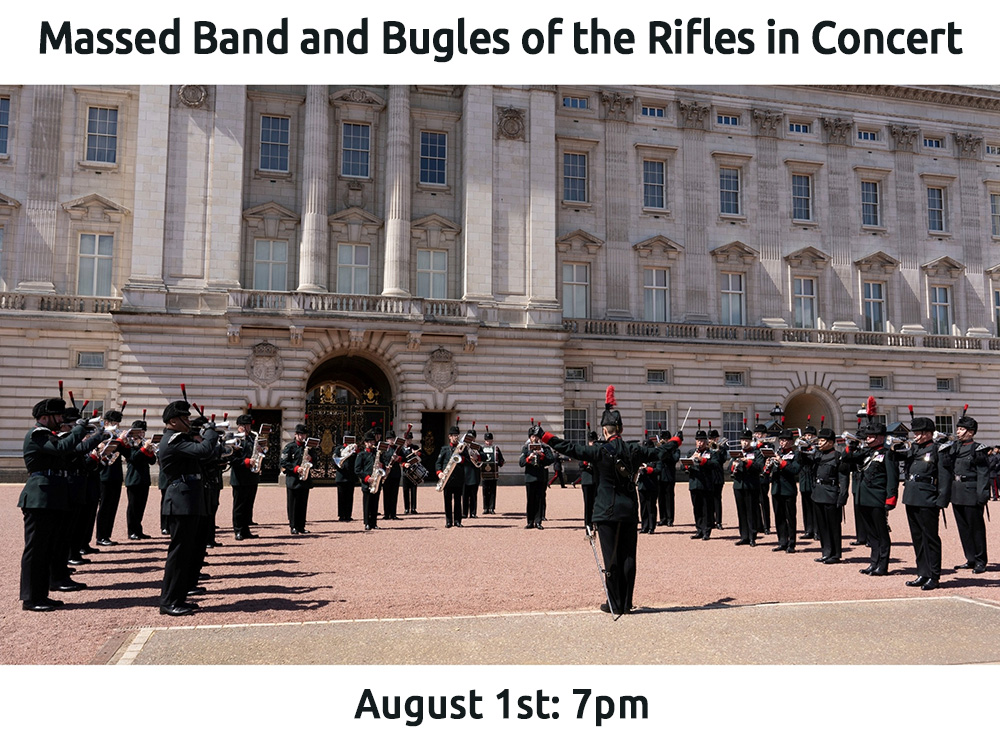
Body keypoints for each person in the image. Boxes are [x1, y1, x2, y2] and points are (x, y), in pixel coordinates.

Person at [540, 386, 663, 614]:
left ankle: (614, 604)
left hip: (606, 510)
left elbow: (570, 448)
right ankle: (626, 603)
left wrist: (545, 436)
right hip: (628, 510)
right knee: (629, 558)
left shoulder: (598, 451)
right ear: (621, 429)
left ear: (604, 431)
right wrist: (675, 440)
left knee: (611, 559)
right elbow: (663, 453)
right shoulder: (634, 450)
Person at [19, 397, 97, 612]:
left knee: (48, 548)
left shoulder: (49, 436)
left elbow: (71, 450)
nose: (61, 419)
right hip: (40, 497)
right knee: (36, 549)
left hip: (52, 496)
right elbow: (63, 447)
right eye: (58, 416)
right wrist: (80, 429)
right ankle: (31, 597)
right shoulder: (38, 435)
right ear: (45, 417)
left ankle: (42, 593)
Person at [157, 399, 221, 616]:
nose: (188, 422)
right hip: (181, 500)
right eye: (185, 418)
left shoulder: (179, 439)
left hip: (190, 499)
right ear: (173, 421)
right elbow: (204, 449)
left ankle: (179, 597)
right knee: (179, 553)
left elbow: (206, 455)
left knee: (188, 552)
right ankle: (168, 601)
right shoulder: (173, 440)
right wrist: (211, 431)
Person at [894, 416, 950, 589]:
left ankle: (934, 575)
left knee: (930, 538)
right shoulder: (913, 449)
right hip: (912, 496)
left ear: (929, 434)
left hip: (928, 498)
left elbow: (945, 477)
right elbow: (895, 456)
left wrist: (941, 500)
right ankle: (922, 573)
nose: (916, 436)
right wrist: (895, 445)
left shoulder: (938, 449)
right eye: (915, 433)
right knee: (917, 538)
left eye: (919, 433)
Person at [944, 412, 990, 574]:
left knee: (976, 528)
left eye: (962, 429)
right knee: (963, 528)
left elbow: (983, 473)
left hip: (971, 492)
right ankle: (970, 558)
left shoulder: (978, 449)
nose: (958, 432)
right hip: (957, 491)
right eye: (958, 429)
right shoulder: (954, 448)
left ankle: (980, 560)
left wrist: (983, 494)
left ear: (971, 432)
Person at [853, 423, 898, 576]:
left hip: (877, 498)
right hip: (863, 498)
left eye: (871, 436)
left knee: (881, 533)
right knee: (871, 534)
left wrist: (891, 498)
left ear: (880, 438)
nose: (868, 439)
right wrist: (851, 446)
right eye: (867, 436)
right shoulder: (866, 453)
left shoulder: (887, 454)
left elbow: (892, 478)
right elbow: (847, 460)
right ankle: (874, 562)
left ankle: (883, 565)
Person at [811, 427, 849, 564]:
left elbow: (844, 478)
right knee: (822, 526)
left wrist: (843, 495)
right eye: (819, 440)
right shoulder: (817, 455)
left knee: (833, 525)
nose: (819, 443)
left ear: (831, 442)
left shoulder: (838, 456)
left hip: (831, 493)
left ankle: (835, 553)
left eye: (822, 440)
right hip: (818, 493)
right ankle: (826, 551)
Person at [94, 409, 129, 546]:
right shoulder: (101, 435)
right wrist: (119, 440)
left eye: (118, 423)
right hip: (104, 476)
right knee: (104, 507)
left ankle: (107, 534)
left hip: (115, 475)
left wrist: (125, 442)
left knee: (112, 507)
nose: (117, 426)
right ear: (107, 422)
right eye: (115, 423)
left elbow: (128, 454)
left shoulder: (116, 436)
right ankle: (100, 536)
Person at [686, 428, 723, 540]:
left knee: (707, 509)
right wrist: (691, 460)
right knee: (696, 508)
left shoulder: (711, 453)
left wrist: (702, 460)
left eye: (702, 441)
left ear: (706, 442)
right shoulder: (691, 452)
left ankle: (707, 530)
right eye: (698, 441)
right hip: (694, 484)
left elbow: (716, 464)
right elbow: (683, 466)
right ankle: (699, 529)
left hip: (706, 485)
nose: (700, 443)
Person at [124, 419, 157, 540]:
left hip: (144, 479)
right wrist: (144, 449)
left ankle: (138, 530)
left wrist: (150, 451)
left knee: (140, 507)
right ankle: (131, 531)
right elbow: (133, 458)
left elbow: (152, 461)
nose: (142, 434)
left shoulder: (142, 444)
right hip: (133, 479)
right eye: (140, 432)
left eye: (143, 432)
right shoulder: (129, 444)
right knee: (133, 507)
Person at [730, 429, 764, 546]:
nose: (744, 442)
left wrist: (747, 462)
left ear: (751, 441)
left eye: (746, 440)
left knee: (751, 511)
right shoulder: (737, 453)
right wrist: (733, 465)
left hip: (751, 485)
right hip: (739, 485)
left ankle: (752, 536)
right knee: (741, 511)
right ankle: (744, 536)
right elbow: (730, 466)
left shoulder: (757, 453)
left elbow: (759, 467)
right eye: (743, 440)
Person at [230, 414, 260, 540]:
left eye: (249, 425)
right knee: (239, 506)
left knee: (248, 505)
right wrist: (246, 462)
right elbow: (232, 459)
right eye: (245, 426)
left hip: (251, 477)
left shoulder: (252, 439)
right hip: (239, 477)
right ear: (239, 427)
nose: (248, 428)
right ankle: (238, 530)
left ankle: (246, 530)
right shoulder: (234, 439)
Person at [280, 423, 314, 534]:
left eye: (304, 434)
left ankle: (301, 526)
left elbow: (316, 462)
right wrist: (295, 468)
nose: (302, 437)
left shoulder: (309, 448)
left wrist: (311, 459)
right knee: (293, 504)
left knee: (303, 504)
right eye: (300, 434)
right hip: (293, 479)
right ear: (296, 435)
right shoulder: (289, 447)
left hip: (304, 480)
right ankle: (293, 526)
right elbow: (283, 462)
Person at [519, 424, 554, 529]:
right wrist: (528, 458)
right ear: (530, 437)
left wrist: (542, 456)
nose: (535, 438)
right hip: (530, 476)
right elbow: (521, 462)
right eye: (533, 436)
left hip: (540, 477)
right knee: (530, 500)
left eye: (537, 436)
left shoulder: (544, 448)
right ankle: (530, 521)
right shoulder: (526, 448)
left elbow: (551, 459)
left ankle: (538, 521)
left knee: (539, 499)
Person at [436, 425, 466, 528]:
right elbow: (438, 463)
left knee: (458, 501)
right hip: (447, 479)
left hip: (458, 478)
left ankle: (458, 521)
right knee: (447, 501)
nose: (456, 437)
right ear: (449, 436)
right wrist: (439, 472)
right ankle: (448, 521)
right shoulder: (444, 449)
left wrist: (462, 456)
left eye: (457, 435)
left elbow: (467, 461)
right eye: (454, 435)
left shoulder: (462, 449)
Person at [354, 430, 382, 530]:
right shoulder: (361, 455)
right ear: (366, 443)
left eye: (373, 442)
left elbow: (382, 464)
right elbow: (357, 470)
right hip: (367, 482)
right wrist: (366, 478)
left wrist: (381, 466)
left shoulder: (377, 454)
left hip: (376, 481)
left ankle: (374, 522)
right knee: (367, 503)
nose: (372, 444)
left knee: (375, 503)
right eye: (370, 442)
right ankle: (367, 522)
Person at [656, 429, 681, 527]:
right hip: (660, 476)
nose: (664, 441)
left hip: (669, 476)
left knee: (669, 498)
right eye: (662, 439)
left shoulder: (675, 450)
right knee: (661, 498)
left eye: (665, 439)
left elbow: (675, 459)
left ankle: (670, 519)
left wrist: (667, 450)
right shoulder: (660, 449)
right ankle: (663, 518)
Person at [637, 435, 659, 533]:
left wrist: (648, 469)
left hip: (652, 484)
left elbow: (659, 469)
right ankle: (644, 526)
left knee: (651, 506)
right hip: (642, 484)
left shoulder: (656, 457)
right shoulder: (640, 458)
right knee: (643, 507)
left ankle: (651, 526)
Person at [480, 428, 505, 514]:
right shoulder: (481, 449)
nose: (488, 442)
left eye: (490, 440)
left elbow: (501, 459)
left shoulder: (496, 449)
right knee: (485, 491)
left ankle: (492, 508)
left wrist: (500, 463)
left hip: (493, 473)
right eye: (487, 440)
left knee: (493, 491)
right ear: (484, 441)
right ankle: (485, 508)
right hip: (484, 473)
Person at [334, 433, 358, 521]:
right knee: (341, 496)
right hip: (341, 475)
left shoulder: (354, 450)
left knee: (349, 496)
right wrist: (340, 466)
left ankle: (348, 514)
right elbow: (335, 460)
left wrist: (356, 451)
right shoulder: (339, 449)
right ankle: (341, 515)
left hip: (350, 476)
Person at [578, 430, 599, 529]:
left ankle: (597, 522)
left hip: (597, 479)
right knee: (588, 504)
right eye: (590, 440)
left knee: (598, 504)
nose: (592, 442)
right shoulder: (585, 450)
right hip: (587, 480)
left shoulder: (598, 450)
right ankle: (588, 524)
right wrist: (586, 462)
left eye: (593, 440)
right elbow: (580, 465)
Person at [382, 429, 403, 521]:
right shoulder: (384, 448)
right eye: (390, 439)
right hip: (386, 473)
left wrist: (397, 458)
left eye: (393, 438)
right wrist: (385, 466)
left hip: (395, 473)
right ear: (387, 440)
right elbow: (381, 459)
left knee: (394, 494)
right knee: (386, 494)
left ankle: (393, 514)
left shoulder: (398, 448)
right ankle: (386, 513)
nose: (392, 440)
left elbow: (403, 458)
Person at [399, 427, 421, 514]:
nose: (409, 441)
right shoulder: (401, 450)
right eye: (407, 439)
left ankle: (413, 508)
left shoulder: (415, 447)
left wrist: (417, 454)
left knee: (413, 490)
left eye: (410, 439)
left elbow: (422, 456)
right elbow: (400, 460)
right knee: (405, 490)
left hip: (414, 471)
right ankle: (406, 508)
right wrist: (404, 464)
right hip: (405, 472)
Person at [462, 427, 482, 518]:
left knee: (473, 495)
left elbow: (484, 457)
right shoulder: (462, 447)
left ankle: (473, 512)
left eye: (472, 437)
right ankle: (464, 513)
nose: (471, 439)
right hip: (465, 472)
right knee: (465, 495)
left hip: (474, 473)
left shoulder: (478, 447)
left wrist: (477, 457)